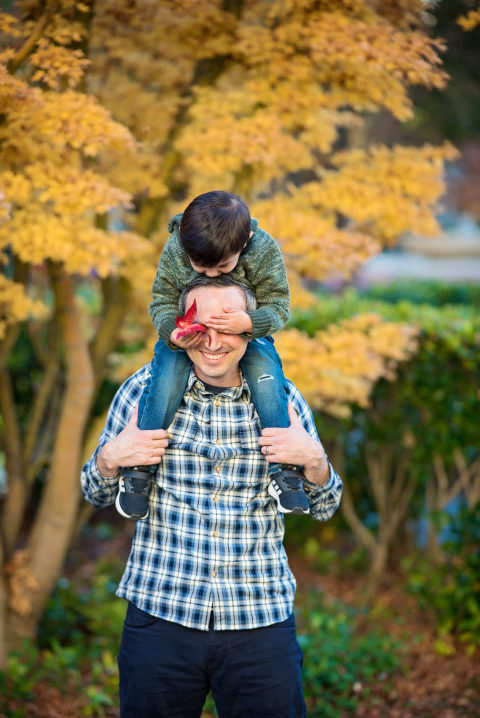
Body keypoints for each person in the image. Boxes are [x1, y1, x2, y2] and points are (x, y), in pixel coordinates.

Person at [81, 276, 343, 718]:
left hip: (259, 619)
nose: (214, 343)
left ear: (250, 331)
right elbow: (94, 491)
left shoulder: (282, 401)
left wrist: (315, 462)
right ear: (181, 328)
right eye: (201, 327)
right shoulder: (144, 394)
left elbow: (326, 506)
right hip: (161, 616)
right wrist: (110, 458)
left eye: (229, 328)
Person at [115, 190, 310, 522]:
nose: (210, 275)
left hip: (246, 334)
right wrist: (172, 334)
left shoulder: (263, 249)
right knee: (164, 380)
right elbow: (162, 300)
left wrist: (249, 322)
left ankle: (284, 471)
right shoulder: (177, 246)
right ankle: (137, 472)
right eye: (199, 267)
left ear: (244, 241)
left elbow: (279, 306)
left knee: (267, 381)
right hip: (188, 331)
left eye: (222, 267)